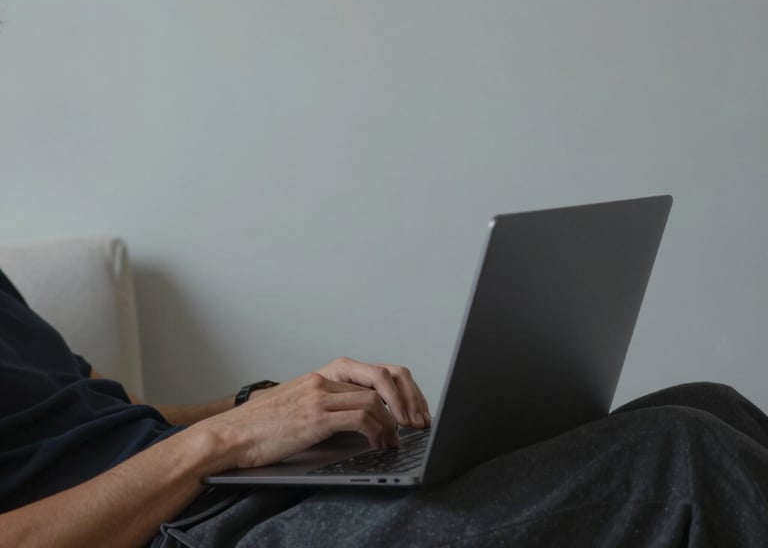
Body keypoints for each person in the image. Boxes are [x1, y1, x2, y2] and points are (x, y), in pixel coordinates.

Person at [1, 266, 768, 548]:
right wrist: (228, 440)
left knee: (710, 403)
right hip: (167, 530)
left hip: (224, 492)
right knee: (681, 454)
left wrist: (273, 407)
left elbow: (116, 414)